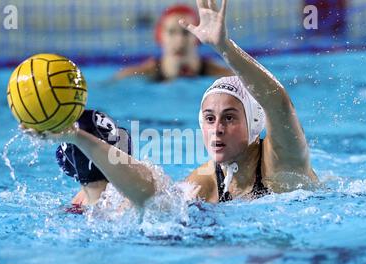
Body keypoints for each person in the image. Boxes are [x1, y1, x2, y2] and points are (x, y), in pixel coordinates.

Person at [24, 0, 318, 207]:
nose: (217, 129)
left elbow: (278, 104)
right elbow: (153, 200)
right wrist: (92, 183)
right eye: (209, 118)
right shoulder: (208, 180)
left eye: (229, 118)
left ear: (254, 123)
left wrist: (224, 48)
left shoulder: (281, 162)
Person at [113, 4, 233, 81]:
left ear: (198, 36)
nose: (179, 40)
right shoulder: (139, 73)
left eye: (186, 32)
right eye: (171, 32)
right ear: (160, 36)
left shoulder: (218, 73)